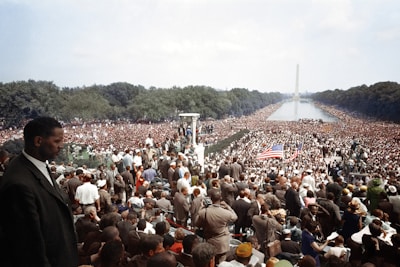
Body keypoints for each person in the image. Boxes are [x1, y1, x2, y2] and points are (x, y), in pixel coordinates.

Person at [0, 117, 79, 266]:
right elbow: (28, 247)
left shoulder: (38, 165)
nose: (61, 146)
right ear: (38, 141)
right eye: (57, 141)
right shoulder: (19, 183)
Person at [196, 190, 238, 264]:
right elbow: (235, 217)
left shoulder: (204, 212)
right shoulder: (226, 213)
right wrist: (228, 207)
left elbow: (197, 223)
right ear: (221, 198)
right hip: (222, 243)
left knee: (209, 262)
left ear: (210, 198)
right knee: (221, 263)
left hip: (210, 241)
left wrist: (201, 208)